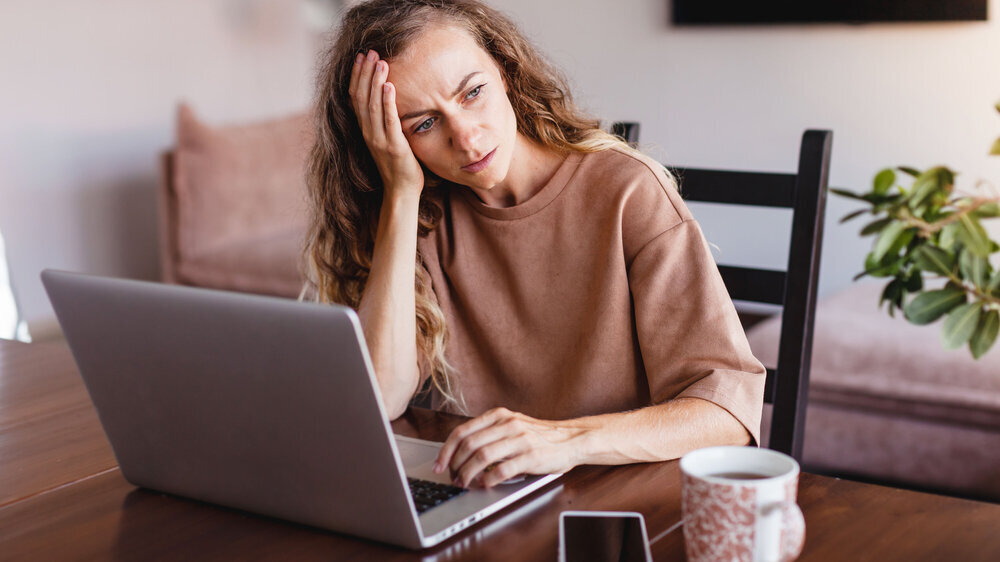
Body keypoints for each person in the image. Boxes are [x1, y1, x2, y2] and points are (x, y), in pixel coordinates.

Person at [304, 0, 766, 489]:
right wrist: (400, 192)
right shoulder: (419, 216)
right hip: (480, 496)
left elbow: (728, 413)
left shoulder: (628, 192)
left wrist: (562, 440)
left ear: (504, 68)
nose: (466, 137)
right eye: (423, 124)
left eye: (473, 92)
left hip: (612, 501)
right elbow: (381, 397)